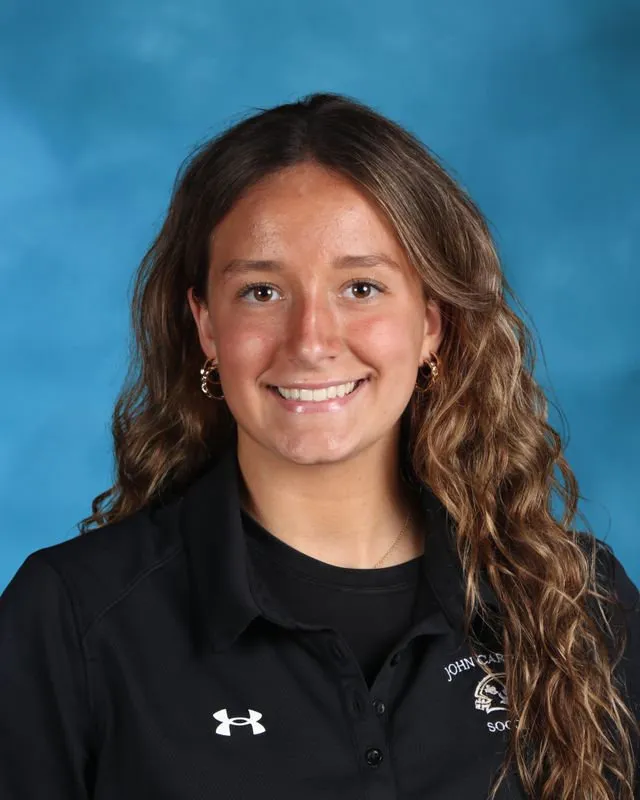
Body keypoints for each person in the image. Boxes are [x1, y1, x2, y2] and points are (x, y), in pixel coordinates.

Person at [0, 92, 638, 800]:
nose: (311, 342)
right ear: (206, 325)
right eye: (262, 293)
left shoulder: (575, 600)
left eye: (361, 287)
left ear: (431, 324)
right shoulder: (73, 619)